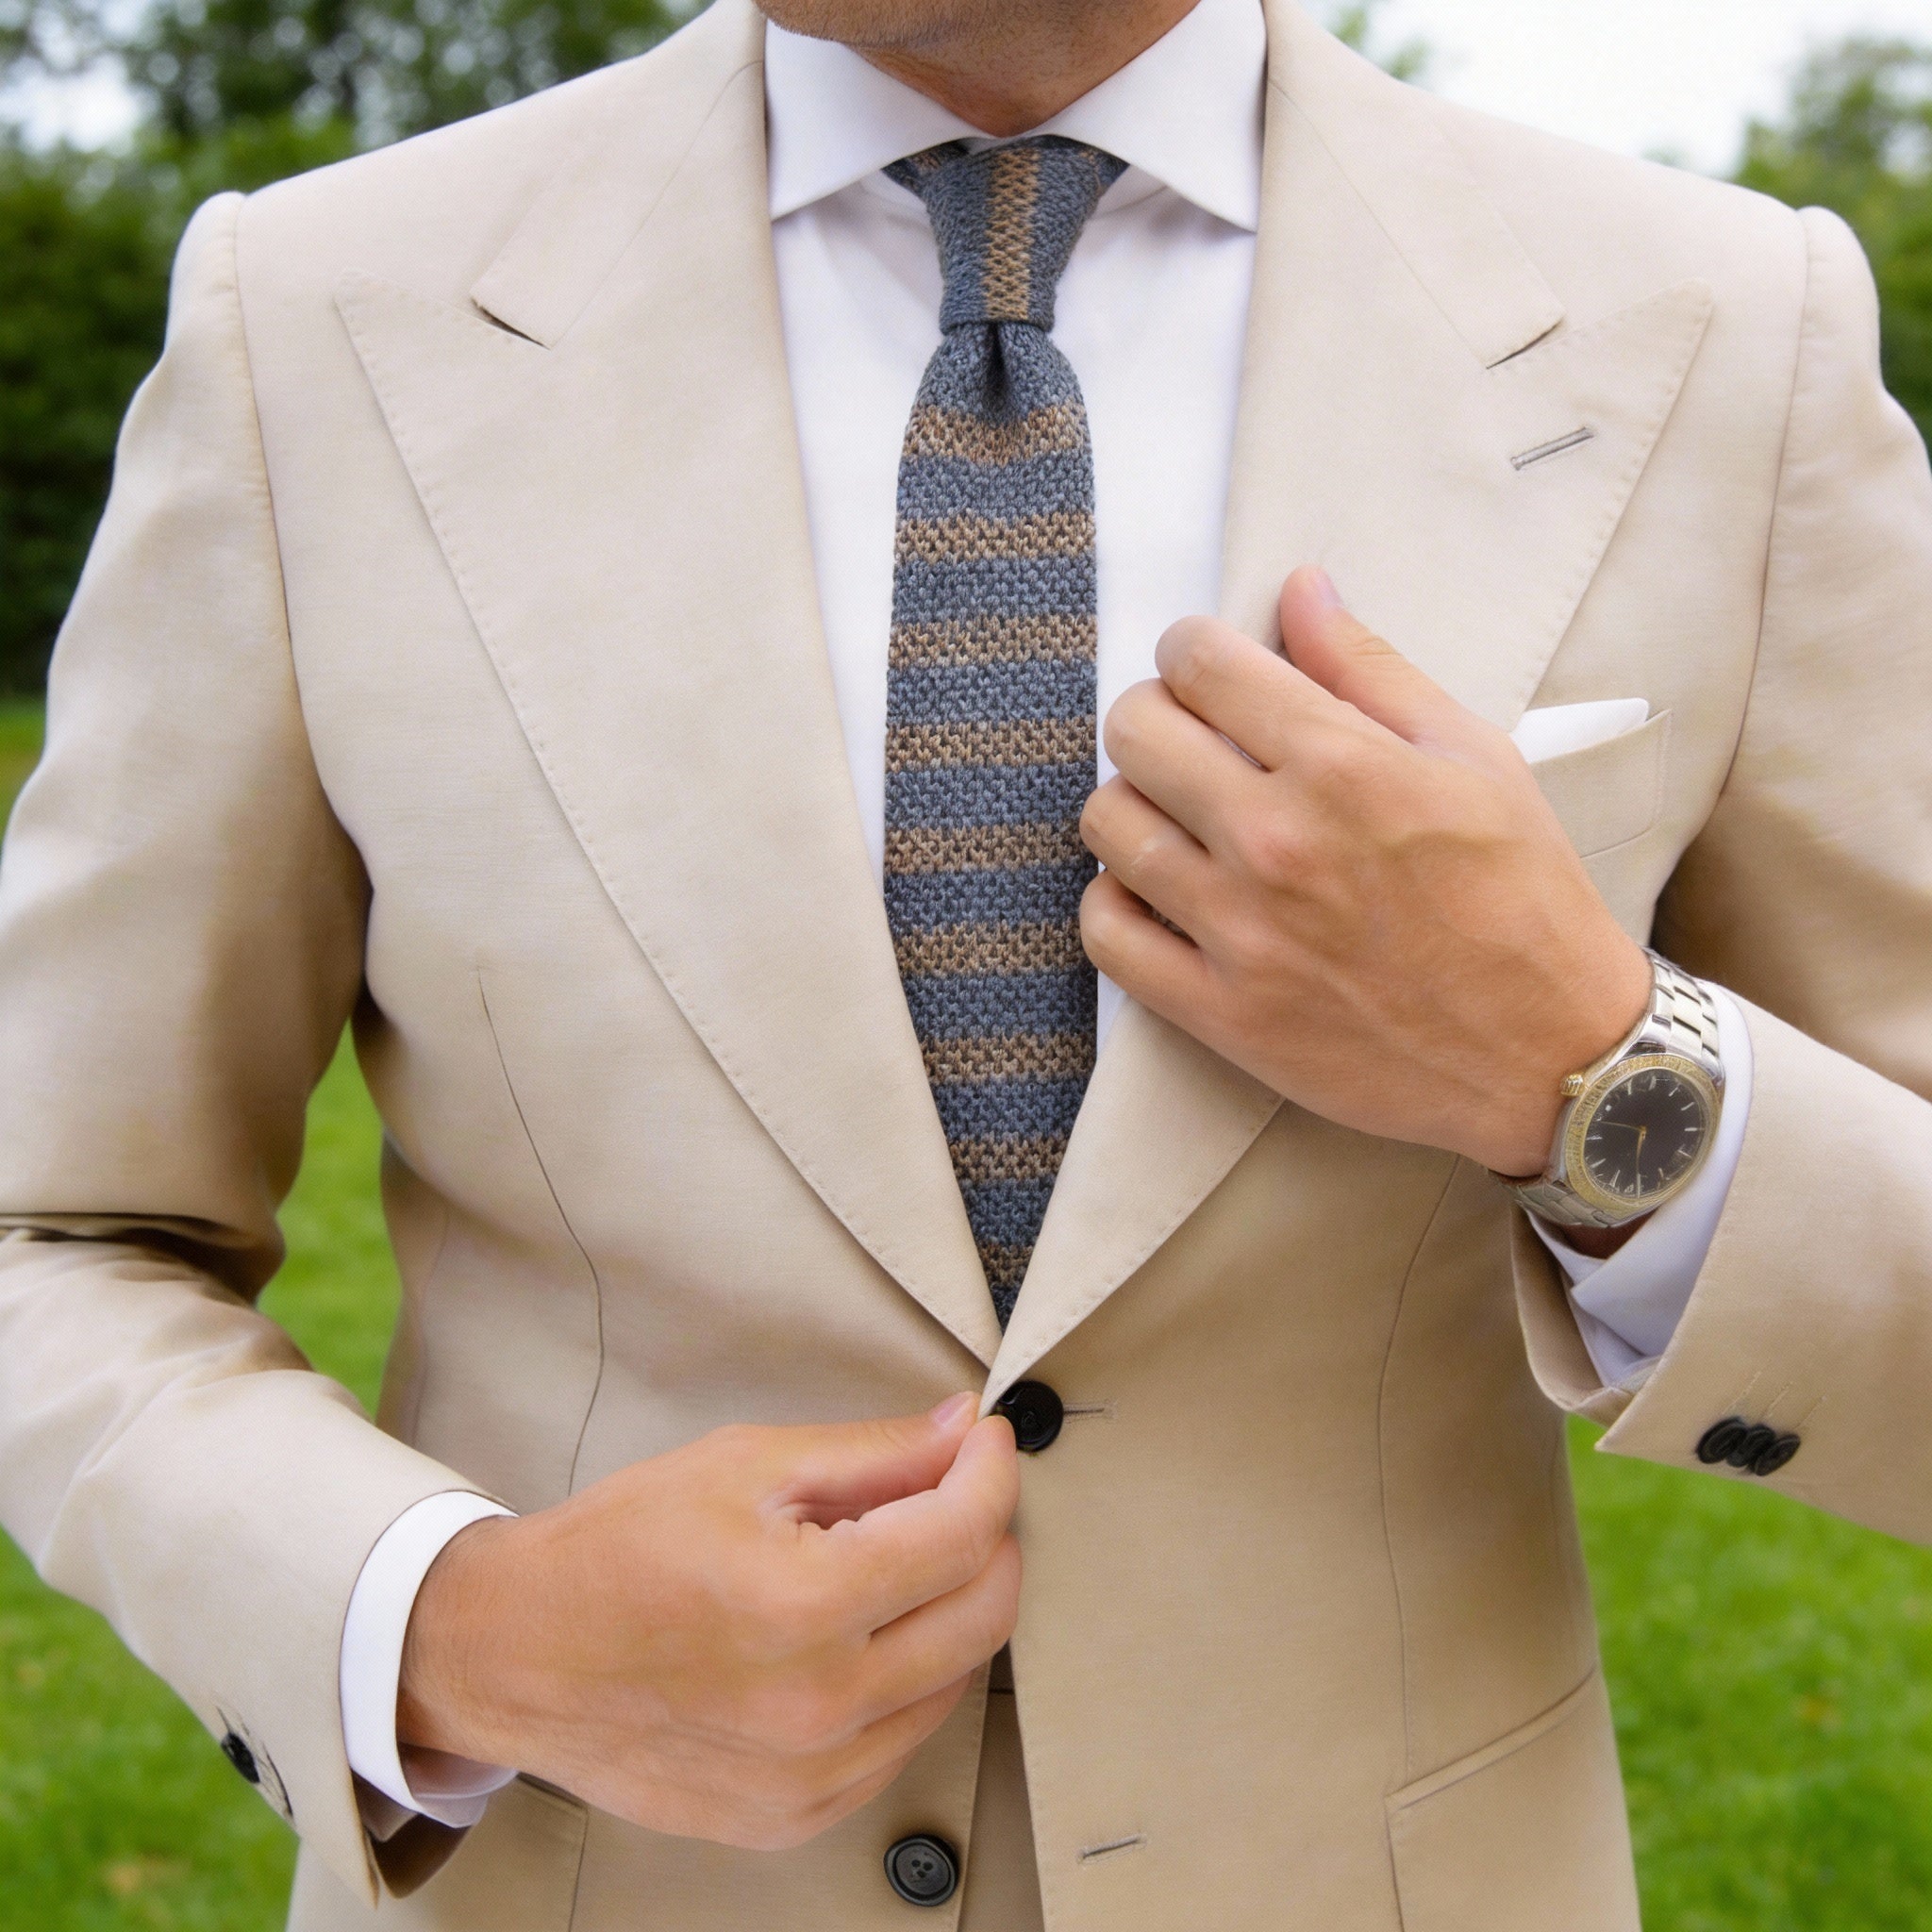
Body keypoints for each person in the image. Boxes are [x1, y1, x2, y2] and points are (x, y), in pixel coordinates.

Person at [3, 0, 1930, 1924]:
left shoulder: (1721, 332)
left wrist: (1590, 1076)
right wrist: (451, 1624)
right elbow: (53, 1231)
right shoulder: (315, 319)